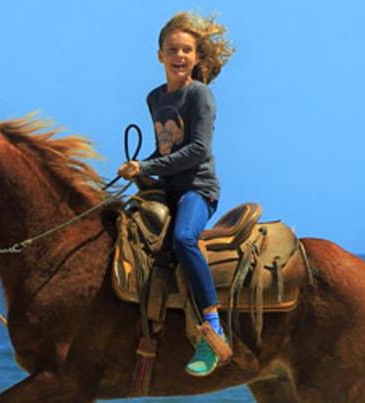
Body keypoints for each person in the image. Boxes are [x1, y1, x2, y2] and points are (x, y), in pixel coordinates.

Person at [117, 11, 234, 377]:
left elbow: (198, 150)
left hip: (197, 189)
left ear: (197, 57)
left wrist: (148, 168)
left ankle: (213, 326)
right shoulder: (154, 98)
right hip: (166, 187)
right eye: (173, 49)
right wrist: (140, 166)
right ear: (159, 55)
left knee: (184, 239)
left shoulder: (200, 95)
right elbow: (165, 151)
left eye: (186, 50)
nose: (179, 56)